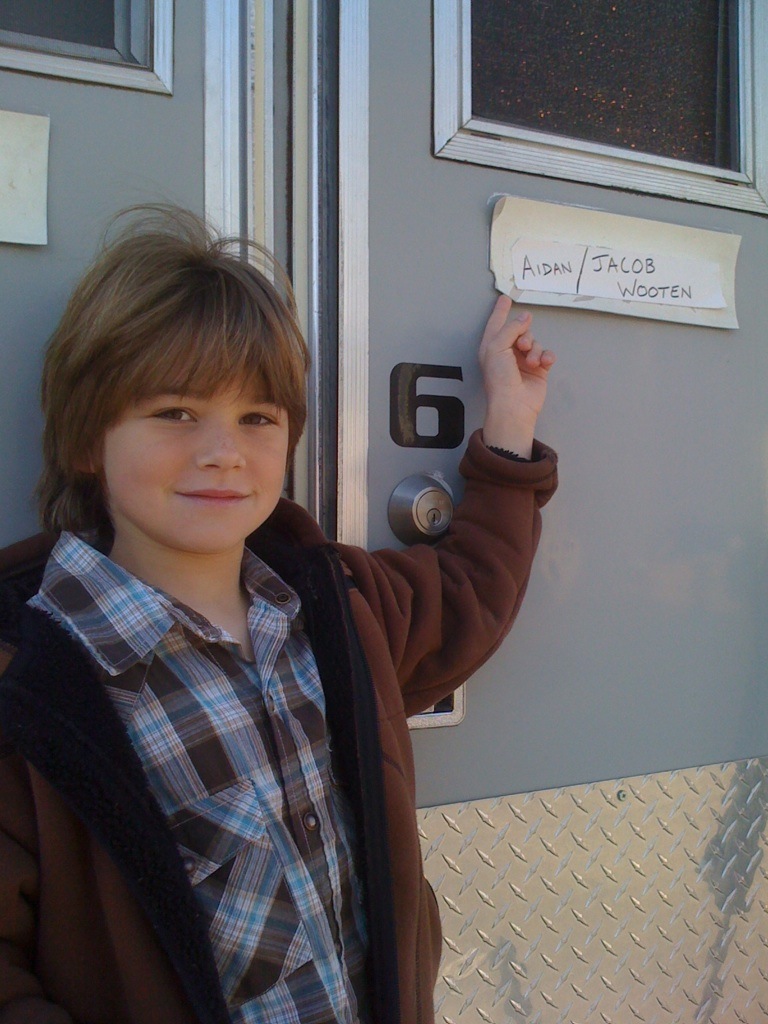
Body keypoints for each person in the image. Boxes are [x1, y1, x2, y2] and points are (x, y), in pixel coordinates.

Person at [0, 208, 557, 1024]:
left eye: (256, 418)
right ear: (89, 437)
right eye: (175, 412)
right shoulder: (31, 684)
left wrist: (510, 430)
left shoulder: (334, 607)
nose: (223, 451)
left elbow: (468, 590)